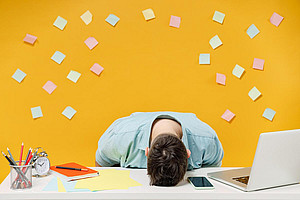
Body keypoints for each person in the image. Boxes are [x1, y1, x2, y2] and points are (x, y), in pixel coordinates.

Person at [95, 111, 223, 186]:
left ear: (188, 153)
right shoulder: (118, 138)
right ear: (147, 152)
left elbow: (210, 173)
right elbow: (101, 165)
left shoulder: (207, 141)